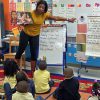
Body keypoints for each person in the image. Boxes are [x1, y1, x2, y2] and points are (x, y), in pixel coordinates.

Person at [15, 0, 76, 73]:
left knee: (34, 54)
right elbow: (20, 22)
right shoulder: (30, 13)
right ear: (37, 6)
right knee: (20, 51)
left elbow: (56, 18)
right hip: (25, 34)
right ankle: (16, 68)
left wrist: (68, 19)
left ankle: (33, 72)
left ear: (45, 9)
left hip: (35, 35)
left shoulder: (45, 14)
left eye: (43, 8)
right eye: (40, 7)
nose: (41, 9)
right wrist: (23, 23)